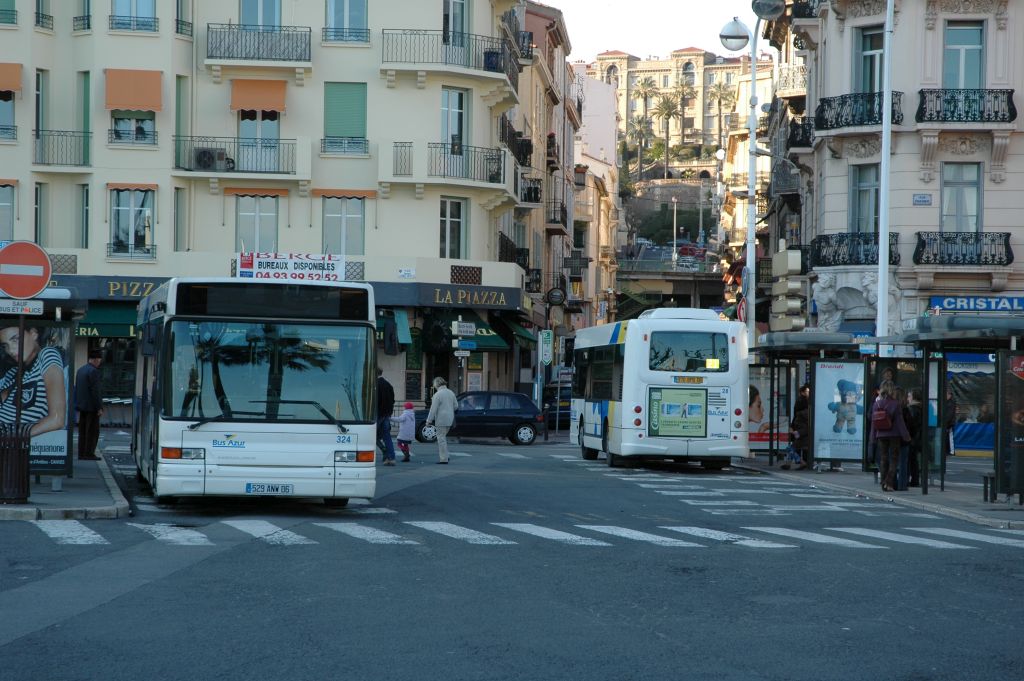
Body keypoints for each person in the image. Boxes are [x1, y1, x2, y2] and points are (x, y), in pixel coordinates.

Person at [0, 325, 67, 437]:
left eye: (15, 340)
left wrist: (14, 437)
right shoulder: (13, 372)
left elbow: (57, 420)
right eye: (5, 345)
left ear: (33, 334)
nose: (10, 350)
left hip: (15, 443)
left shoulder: (46, 355)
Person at [869, 379, 911, 493]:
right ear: (892, 390)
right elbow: (900, 422)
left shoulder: (877, 404)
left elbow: (873, 423)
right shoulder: (895, 404)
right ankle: (888, 482)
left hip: (881, 434)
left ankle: (883, 482)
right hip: (894, 435)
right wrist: (906, 436)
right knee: (894, 460)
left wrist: (872, 437)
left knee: (884, 459)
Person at [75, 349, 104, 460]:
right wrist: (99, 407)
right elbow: (95, 391)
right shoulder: (94, 372)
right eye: (99, 360)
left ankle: (81, 453)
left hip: (82, 406)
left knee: (82, 431)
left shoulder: (81, 370)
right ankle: (89, 453)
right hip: (92, 407)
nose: (99, 363)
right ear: (96, 360)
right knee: (92, 431)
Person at [425, 377, 458, 464]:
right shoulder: (451, 392)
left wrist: (428, 420)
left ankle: (444, 459)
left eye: (434, 384)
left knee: (441, 439)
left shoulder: (437, 394)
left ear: (436, 384)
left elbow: (433, 409)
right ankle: (446, 456)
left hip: (441, 419)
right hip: (450, 419)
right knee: (443, 438)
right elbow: (456, 406)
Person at [784, 384, 811, 470]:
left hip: (802, 435)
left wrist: (797, 432)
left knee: (791, 448)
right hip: (802, 435)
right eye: (807, 391)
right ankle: (789, 464)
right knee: (792, 448)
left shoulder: (802, 414)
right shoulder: (806, 412)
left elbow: (806, 426)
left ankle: (801, 463)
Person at [376, 368, 397, 466]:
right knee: (387, 436)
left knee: (371, 435)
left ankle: (384, 450)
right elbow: (393, 400)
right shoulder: (388, 384)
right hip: (387, 414)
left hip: (378, 414)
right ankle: (391, 458)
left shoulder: (375, 385)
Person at [905, 388, 923, 487]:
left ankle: (907, 479)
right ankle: (915, 479)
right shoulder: (921, 408)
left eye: (909, 396)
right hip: (918, 437)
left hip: (912, 437)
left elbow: (911, 425)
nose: (908, 398)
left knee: (908, 460)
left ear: (914, 397)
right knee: (914, 460)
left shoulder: (912, 409)